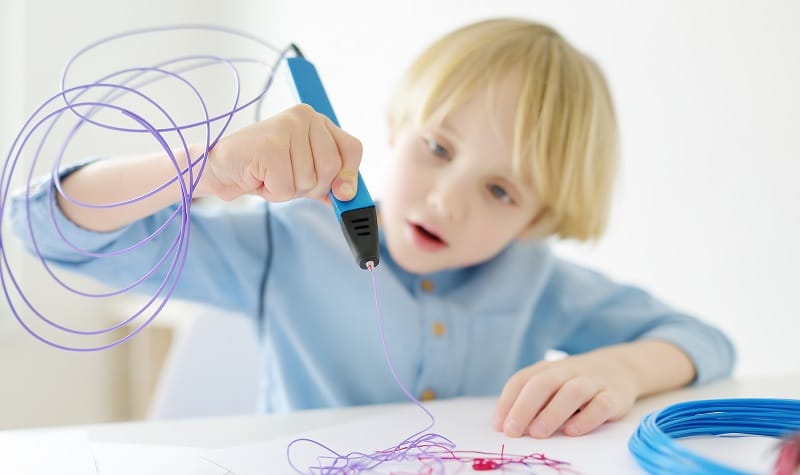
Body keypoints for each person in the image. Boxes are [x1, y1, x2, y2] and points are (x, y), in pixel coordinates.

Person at [9, 17, 735, 439]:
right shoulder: (287, 241)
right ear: (396, 127)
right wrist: (202, 169)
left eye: (500, 189)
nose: (449, 200)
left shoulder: (537, 281)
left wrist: (620, 367)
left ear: (540, 217)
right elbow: (47, 230)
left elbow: (706, 341)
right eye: (439, 149)